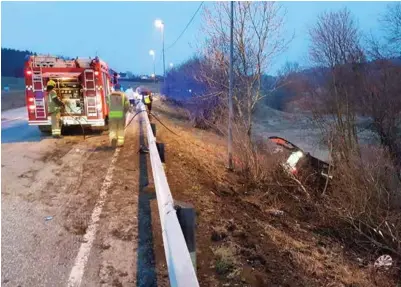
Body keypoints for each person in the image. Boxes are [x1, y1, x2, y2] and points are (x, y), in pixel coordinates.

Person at [107, 84, 130, 148]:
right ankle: (120, 143)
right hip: (121, 114)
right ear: (120, 88)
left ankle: (113, 138)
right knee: (120, 128)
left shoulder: (109, 95)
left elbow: (108, 104)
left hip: (112, 114)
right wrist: (124, 112)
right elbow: (127, 105)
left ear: (114, 88)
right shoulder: (123, 95)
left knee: (112, 128)